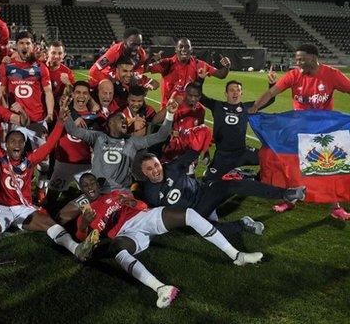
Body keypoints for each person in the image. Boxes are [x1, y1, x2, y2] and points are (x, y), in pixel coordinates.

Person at [73, 173, 264, 308]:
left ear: (98, 184)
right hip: (125, 234)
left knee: (188, 214)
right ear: (81, 189)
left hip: (142, 218)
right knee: (118, 251)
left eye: (92, 183)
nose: (90, 188)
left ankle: (236, 255)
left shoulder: (114, 195)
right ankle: (161, 289)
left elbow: (141, 205)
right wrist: (84, 225)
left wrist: (133, 203)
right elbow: (81, 239)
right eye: (86, 186)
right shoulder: (86, 213)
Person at [0, 105, 100, 270]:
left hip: (23, 208)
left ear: (24, 145)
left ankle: (77, 250)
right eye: (13, 141)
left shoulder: (30, 160)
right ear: (7, 145)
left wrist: (61, 122)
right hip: (2, 207)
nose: (17, 144)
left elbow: (50, 144)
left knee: (49, 222)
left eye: (20, 141)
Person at [249, 44, 350, 219]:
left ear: (313, 57)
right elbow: (272, 92)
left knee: (330, 166)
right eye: (297, 59)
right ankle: (290, 200)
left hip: (323, 130)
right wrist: (256, 106)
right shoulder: (294, 75)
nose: (298, 63)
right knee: (292, 164)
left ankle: (335, 206)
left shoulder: (332, 75)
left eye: (301, 59)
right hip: (299, 128)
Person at [134, 150, 307, 235]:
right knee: (207, 229)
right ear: (144, 174)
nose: (155, 170)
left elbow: (193, 152)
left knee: (232, 185)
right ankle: (244, 224)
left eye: (155, 165)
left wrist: (201, 141)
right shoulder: (150, 194)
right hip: (194, 213)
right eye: (149, 169)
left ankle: (285, 194)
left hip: (205, 194)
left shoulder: (171, 167)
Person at [64, 96, 177, 192]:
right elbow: (72, 130)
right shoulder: (98, 137)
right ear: (110, 122)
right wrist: (65, 111)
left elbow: (161, 135)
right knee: (68, 212)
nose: (125, 122)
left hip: (120, 192)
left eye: (125, 121)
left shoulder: (132, 142)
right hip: (96, 191)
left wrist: (170, 114)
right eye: (120, 119)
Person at [0, 31, 54, 202]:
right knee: (14, 159)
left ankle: (41, 190)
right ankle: (17, 191)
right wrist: (6, 115)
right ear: (16, 46)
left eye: (28, 43)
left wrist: (50, 113)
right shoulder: (6, 66)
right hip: (16, 122)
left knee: (44, 162)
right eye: (21, 43)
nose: (24, 46)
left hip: (37, 121)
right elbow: (2, 93)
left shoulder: (40, 67)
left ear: (33, 46)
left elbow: (48, 92)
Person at [201, 72, 275, 182]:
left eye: (238, 90)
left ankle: (255, 179)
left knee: (271, 160)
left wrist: (272, 85)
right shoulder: (217, 106)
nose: (235, 93)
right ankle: (225, 171)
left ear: (242, 93)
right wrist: (200, 79)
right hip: (223, 155)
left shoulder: (248, 107)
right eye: (231, 90)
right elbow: (200, 96)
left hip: (242, 152)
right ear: (226, 93)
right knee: (208, 181)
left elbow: (270, 100)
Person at [46, 81, 98, 208]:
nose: (81, 96)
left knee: (95, 198)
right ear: (73, 95)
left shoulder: (95, 116)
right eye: (78, 92)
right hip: (63, 163)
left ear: (89, 96)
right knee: (50, 199)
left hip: (85, 165)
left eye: (85, 93)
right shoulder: (62, 111)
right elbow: (58, 100)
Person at [148, 38, 231, 108]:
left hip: (189, 113)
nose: (184, 49)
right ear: (176, 49)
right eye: (181, 47)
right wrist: (152, 60)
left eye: (187, 47)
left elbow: (221, 74)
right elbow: (144, 68)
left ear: (191, 50)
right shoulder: (167, 63)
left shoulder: (199, 64)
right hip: (168, 110)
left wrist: (227, 66)